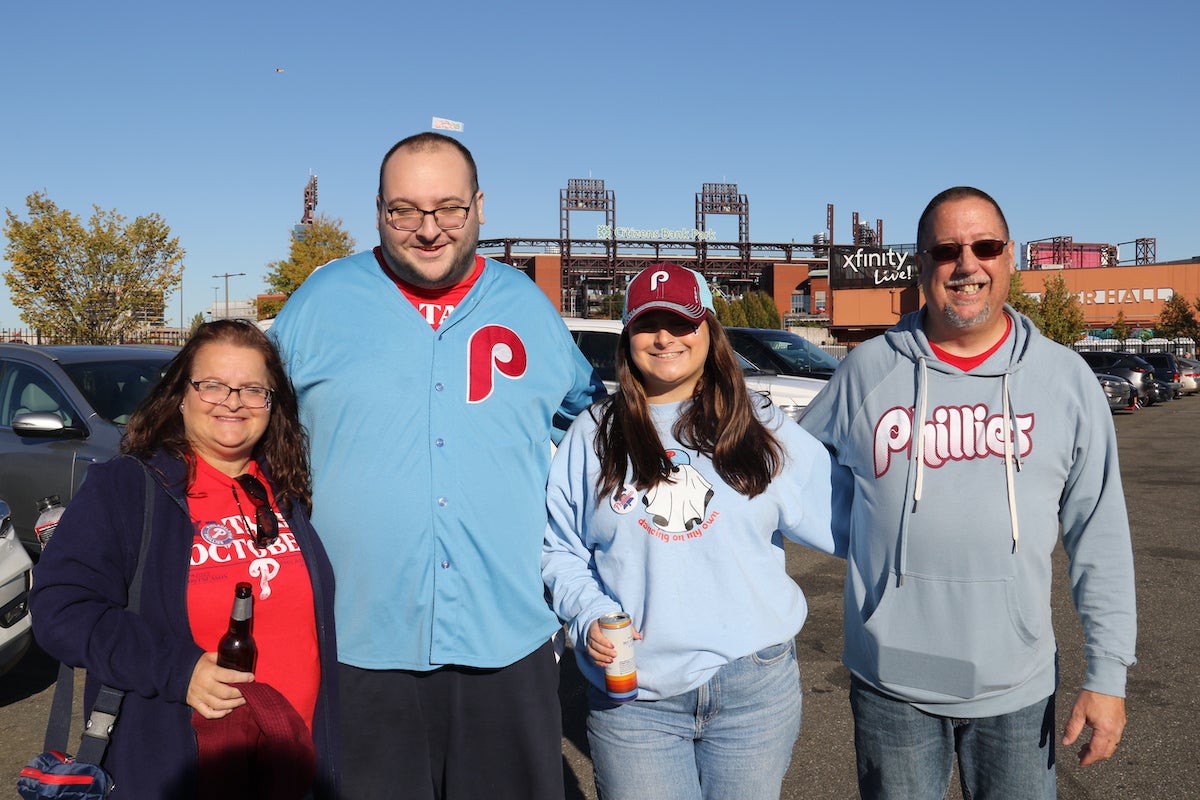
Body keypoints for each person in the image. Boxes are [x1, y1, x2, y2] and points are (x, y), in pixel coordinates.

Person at [269, 131, 604, 800]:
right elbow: (239, 421)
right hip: (356, 644)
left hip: (505, 638)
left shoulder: (526, 307)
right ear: (377, 212)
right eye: (405, 210)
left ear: (480, 206)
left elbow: (593, 424)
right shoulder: (321, 302)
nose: (428, 230)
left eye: (448, 207)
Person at [800, 186, 1138, 799]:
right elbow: (788, 482)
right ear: (922, 265)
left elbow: (1102, 536)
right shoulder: (867, 371)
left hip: (1017, 686)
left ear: (1010, 259)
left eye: (985, 246)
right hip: (890, 685)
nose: (967, 264)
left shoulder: (1066, 381)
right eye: (947, 249)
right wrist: (868, 556)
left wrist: (1108, 674)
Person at [542, 262, 840, 800]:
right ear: (628, 333)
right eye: (648, 323)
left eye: (682, 322)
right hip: (634, 696)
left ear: (708, 331)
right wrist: (586, 612)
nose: (665, 338)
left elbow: (850, 520)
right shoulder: (593, 435)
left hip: (754, 685)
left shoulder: (760, 425)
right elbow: (559, 550)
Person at [30, 319, 339, 799]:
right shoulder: (128, 488)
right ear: (180, 394)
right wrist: (180, 669)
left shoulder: (283, 490)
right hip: (182, 764)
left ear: (272, 405)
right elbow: (61, 609)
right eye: (212, 385)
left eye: (253, 389)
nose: (232, 401)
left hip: (293, 760)